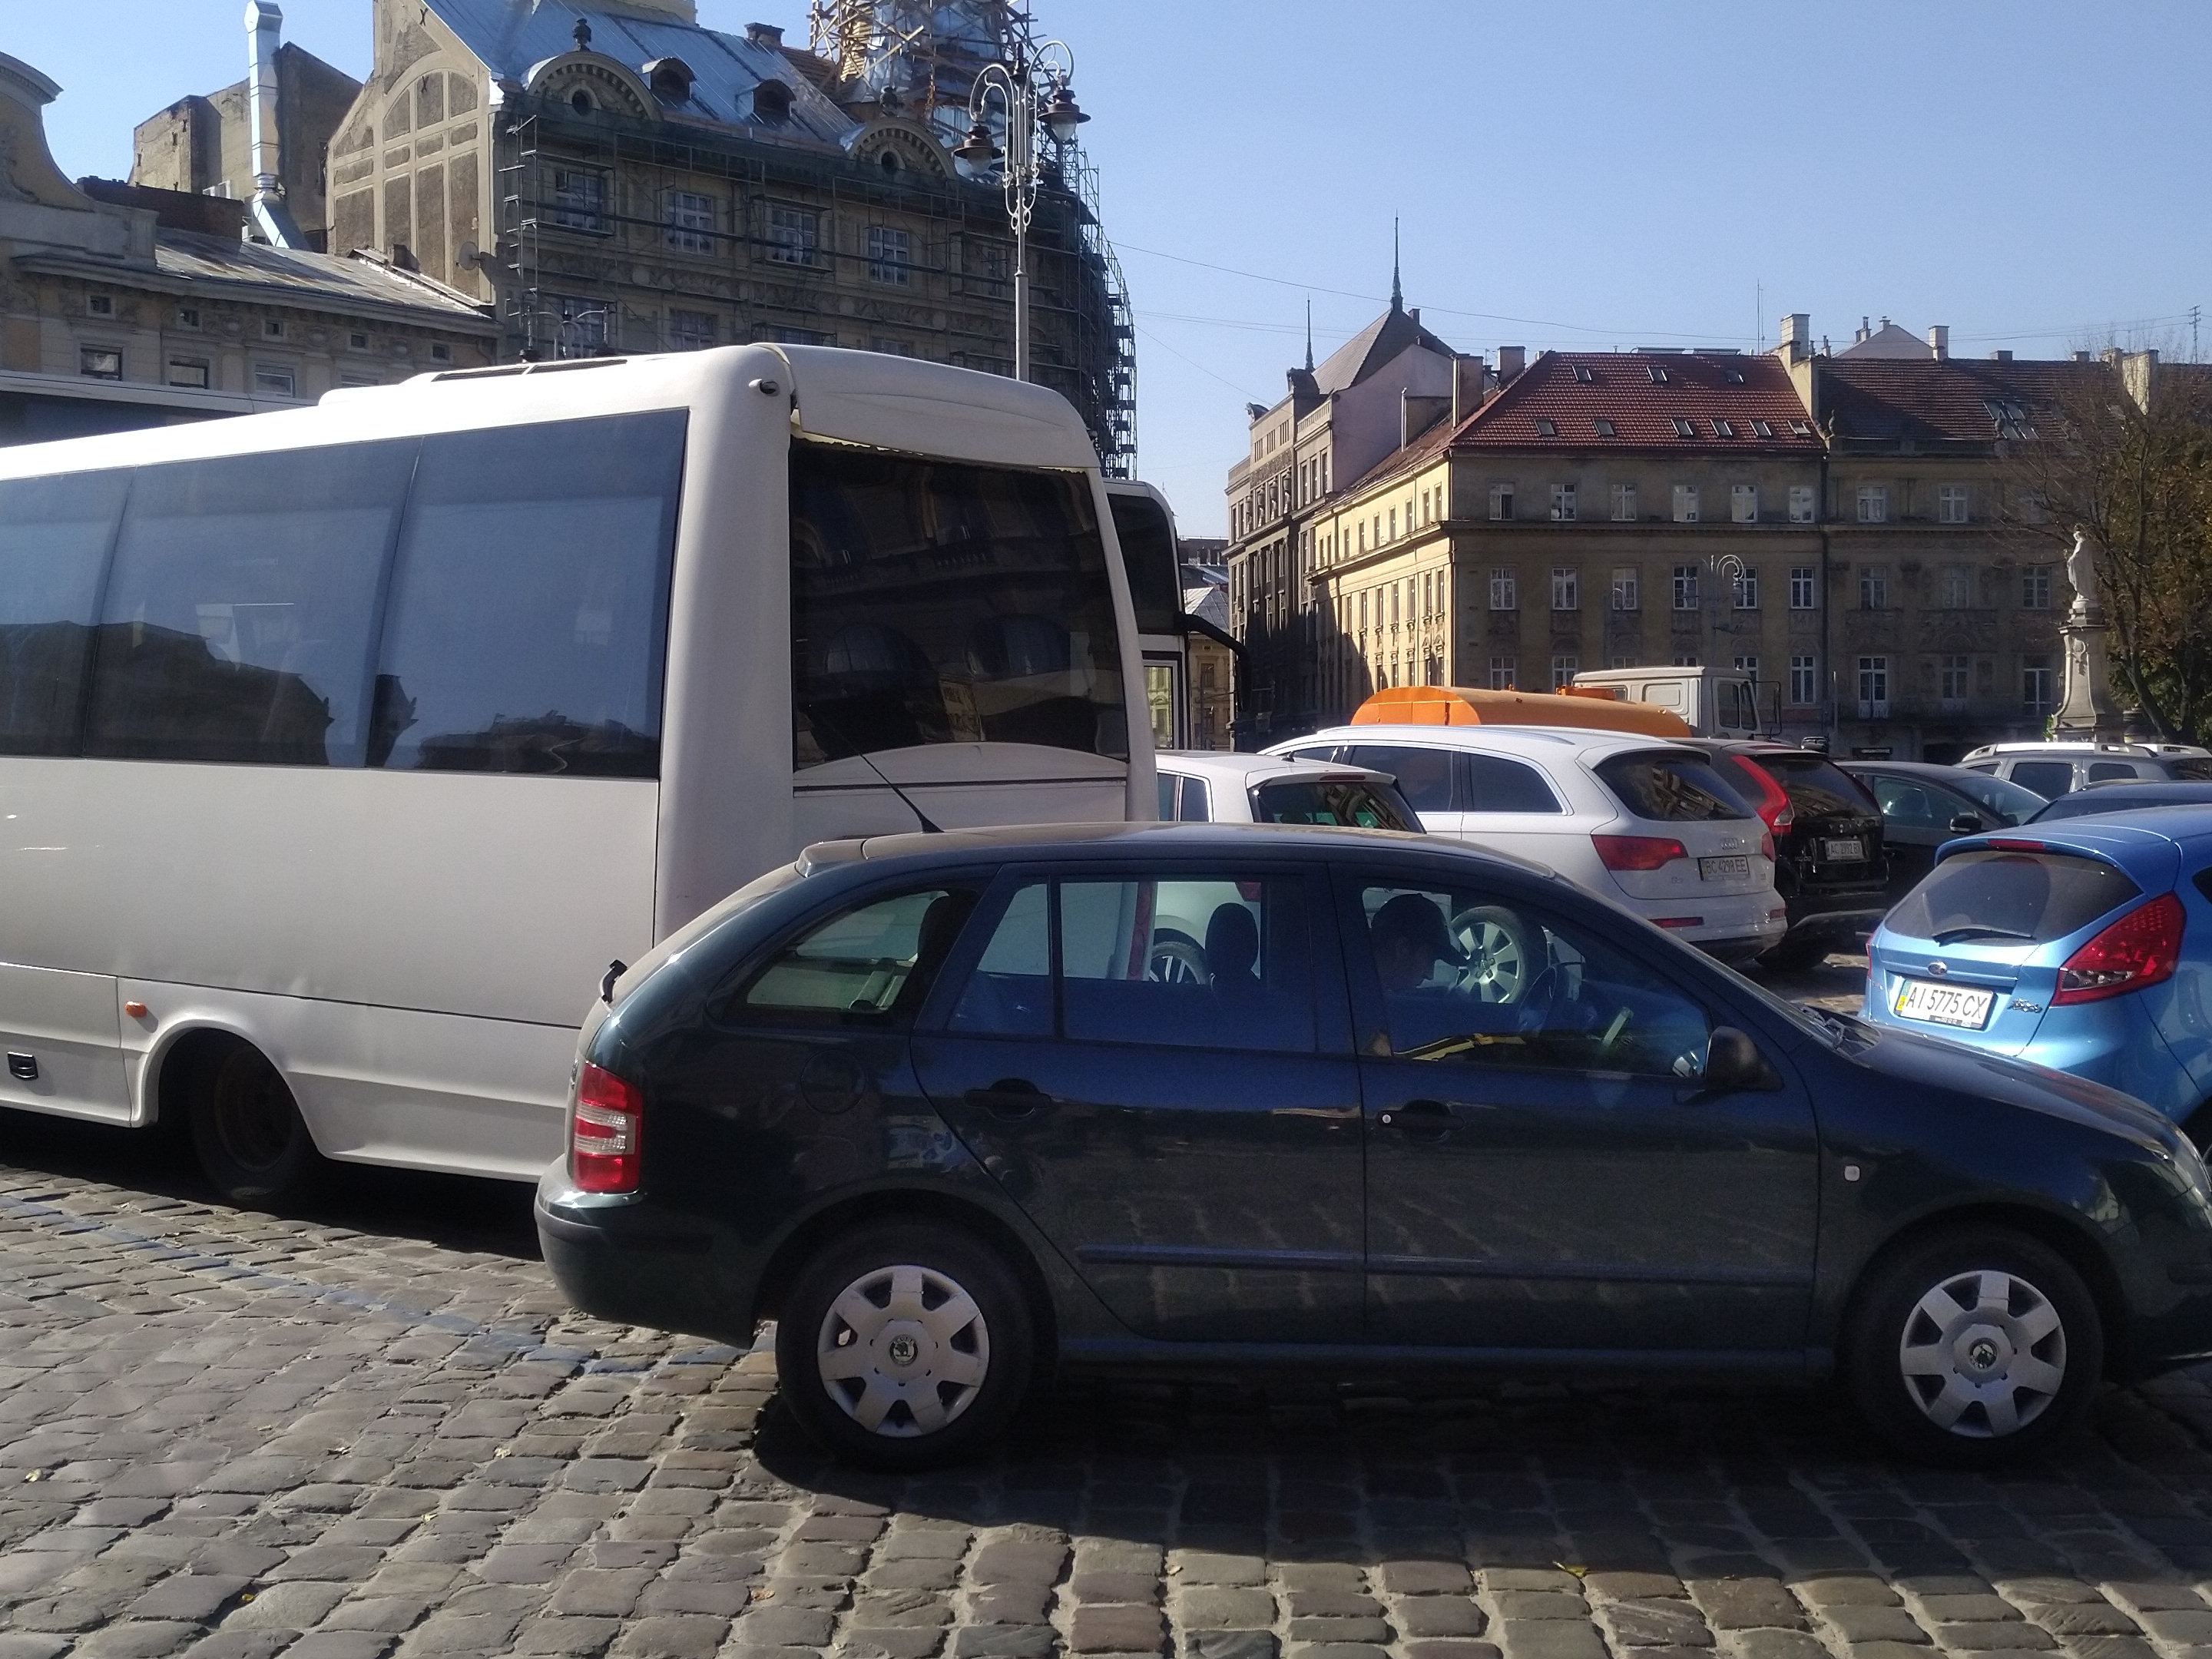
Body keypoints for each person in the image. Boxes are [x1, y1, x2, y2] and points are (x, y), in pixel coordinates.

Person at [1369, 892, 1465, 994]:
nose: (1430, 975)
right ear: (1403, 948)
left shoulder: (1360, 987)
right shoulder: (1360, 993)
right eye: (1429, 960)